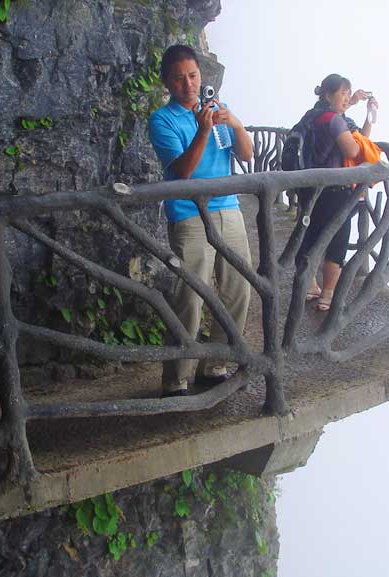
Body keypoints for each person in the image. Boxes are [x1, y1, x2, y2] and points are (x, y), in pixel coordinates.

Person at [148, 45, 254, 397]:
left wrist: (234, 123)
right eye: (179, 78)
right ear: (166, 82)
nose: (188, 84)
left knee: (238, 291)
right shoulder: (162, 120)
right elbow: (182, 171)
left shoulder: (217, 109)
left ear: (201, 76)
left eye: (193, 76)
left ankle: (215, 366)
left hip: (229, 208)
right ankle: (176, 380)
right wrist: (203, 130)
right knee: (188, 298)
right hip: (189, 214)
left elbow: (246, 154)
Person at [295, 74, 379, 311]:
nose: (346, 97)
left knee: (309, 235)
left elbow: (355, 137)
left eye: (348, 93)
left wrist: (365, 114)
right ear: (328, 95)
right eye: (342, 93)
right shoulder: (334, 121)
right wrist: (363, 139)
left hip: (308, 186)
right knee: (337, 241)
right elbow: (354, 149)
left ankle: (309, 285)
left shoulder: (312, 116)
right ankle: (328, 294)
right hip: (334, 189)